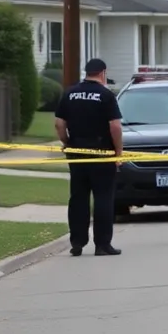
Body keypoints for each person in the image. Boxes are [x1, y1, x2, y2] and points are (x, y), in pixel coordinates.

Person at [55, 58, 124, 257]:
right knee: (103, 197)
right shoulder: (105, 95)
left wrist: (67, 142)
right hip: (102, 151)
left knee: (78, 197)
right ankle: (102, 245)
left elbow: (59, 123)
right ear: (103, 72)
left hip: (76, 151)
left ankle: (77, 242)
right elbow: (115, 126)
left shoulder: (70, 93)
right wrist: (118, 151)